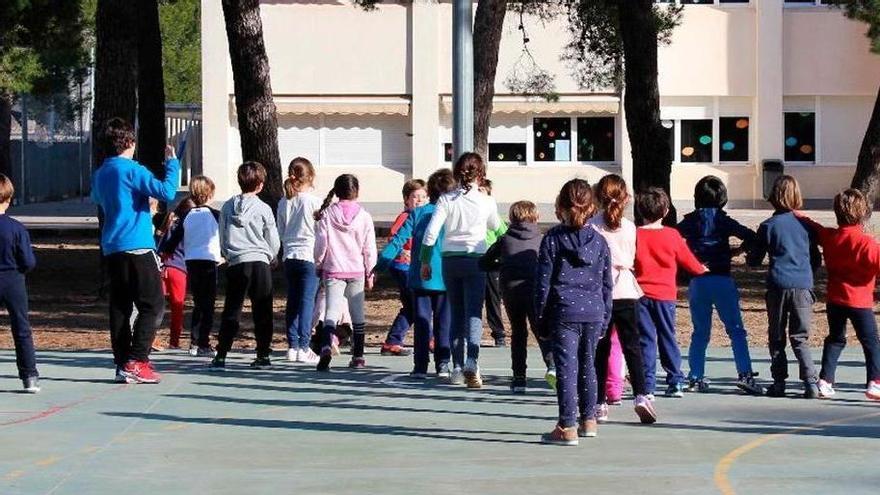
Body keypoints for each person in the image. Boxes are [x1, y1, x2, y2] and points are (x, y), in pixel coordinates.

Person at [91, 117, 179, 383]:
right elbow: (167, 191)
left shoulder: (101, 173)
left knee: (120, 305)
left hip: (113, 246)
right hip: (138, 245)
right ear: (130, 142)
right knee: (152, 303)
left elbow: (101, 199)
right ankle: (137, 359)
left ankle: (122, 363)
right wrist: (173, 164)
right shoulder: (132, 169)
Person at [536, 179, 612, 445]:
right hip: (593, 310)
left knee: (566, 369)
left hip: (564, 310)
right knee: (588, 365)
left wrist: (540, 316)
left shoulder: (553, 239)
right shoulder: (600, 242)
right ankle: (588, 419)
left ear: (560, 205)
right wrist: (605, 317)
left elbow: (543, 282)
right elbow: (606, 284)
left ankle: (567, 425)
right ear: (591, 206)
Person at [421, 152, 502, 388]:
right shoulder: (486, 201)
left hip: (450, 261)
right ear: (481, 174)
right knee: (474, 313)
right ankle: (472, 361)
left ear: (457, 172)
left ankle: (456, 368)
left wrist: (425, 261)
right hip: (476, 259)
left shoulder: (446, 200)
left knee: (455, 314)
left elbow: (430, 233)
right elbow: (498, 228)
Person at [677, 176, 763, 395]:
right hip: (722, 279)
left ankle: (695, 376)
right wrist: (738, 251)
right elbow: (751, 236)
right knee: (735, 330)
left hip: (698, 280)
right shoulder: (724, 221)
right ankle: (745, 373)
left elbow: (674, 238)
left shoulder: (690, 221)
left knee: (700, 332)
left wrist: (688, 258)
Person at [797, 189, 880, 400]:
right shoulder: (867, 244)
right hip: (860, 302)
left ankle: (825, 380)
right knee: (871, 341)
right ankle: (875, 381)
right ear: (862, 212)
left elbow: (814, 227)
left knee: (835, 339)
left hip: (835, 299)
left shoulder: (831, 237)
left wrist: (797, 214)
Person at [746, 175, 821, 398]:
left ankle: (779, 382)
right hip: (802, 285)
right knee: (800, 337)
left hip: (778, 284)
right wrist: (807, 274)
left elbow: (755, 260)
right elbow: (815, 258)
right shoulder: (806, 226)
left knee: (776, 336)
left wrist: (747, 251)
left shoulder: (768, 226)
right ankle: (810, 382)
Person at [589, 174, 655, 424]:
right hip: (627, 289)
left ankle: (600, 402)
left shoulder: (592, 226)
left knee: (601, 349)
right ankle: (640, 395)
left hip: (601, 291)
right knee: (632, 346)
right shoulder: (629, 227)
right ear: (625, 198)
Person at [377, 169, 455, 378]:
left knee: (421, 321)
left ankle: (420, 365)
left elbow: (398, 240)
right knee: (443, 322)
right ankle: (443, 363)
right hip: (445, 277)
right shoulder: (453, 213)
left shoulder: (418, 213)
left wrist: (381, 263)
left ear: (429, 191)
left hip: (421, 276)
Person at [634, 188, 707, 400]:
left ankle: (647, 386)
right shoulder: (672, 235)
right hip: (665, 295)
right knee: (668, 336)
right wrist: (701, 268)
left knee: (646, 340)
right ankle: (675, 381)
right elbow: (689, 261)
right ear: (666, 211)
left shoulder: (635, 234)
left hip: (640, 294)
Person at [210, 162, 280, 370]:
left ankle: (221, 354)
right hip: (259, 261)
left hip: (237, 262)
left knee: (232, 309)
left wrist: (226, 252)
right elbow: (272, 236)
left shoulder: (228, 206)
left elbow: (222, 234)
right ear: (260, 184)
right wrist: (272, 254)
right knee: (262, 309)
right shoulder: (264, 208)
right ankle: (263, 354)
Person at [481, 200, 555, 393]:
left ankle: (519, 377)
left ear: (512, 218)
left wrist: (503, 265)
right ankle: (553, 365)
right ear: (536, 217)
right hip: (535, 288)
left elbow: (485, 262)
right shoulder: (542, 239)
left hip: (511, 289)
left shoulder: (505, 239)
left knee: (518, 332)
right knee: (541, 329)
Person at [314, 174, 377, 371]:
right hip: (356, 269)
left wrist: (319, 263)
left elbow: (321, 243)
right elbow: (369, 247)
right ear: (356, 191)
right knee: (357, 313)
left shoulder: (327, 214)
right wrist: (370, 270)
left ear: (337, 191)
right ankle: (358, 356)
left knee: (331, 311)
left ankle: (325, 345)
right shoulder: (364, 216)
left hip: (333, 269)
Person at [277, 157, 322, 364]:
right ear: (310, 176)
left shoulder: (284, 201)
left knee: (293, 301)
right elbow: (320, 231)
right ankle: (304, 346)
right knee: (306, 303)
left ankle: (293, 346)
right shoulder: (313, 201)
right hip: (308, 255)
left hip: (290, 256)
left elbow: (281, 229)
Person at [379, 179, 427, 357]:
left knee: (411, 307)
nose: (420, 200)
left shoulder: (423, 216)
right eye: (415, 197)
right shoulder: (406, 216)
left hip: (412, 266)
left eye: (423, 196)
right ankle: (429, 339)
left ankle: (392, 342)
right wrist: (403, 251)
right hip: (402, 266)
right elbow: (394, 237)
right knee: (418, 303)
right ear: (407, 199)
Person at [0, 175, 39, 392]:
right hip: (13, 279)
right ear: (8, 199)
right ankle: (29, 376)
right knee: (22, 329)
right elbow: (28, 260)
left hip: (12, 276)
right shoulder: (16, 229)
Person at [156, 197, 195, 351]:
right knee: (177, 308)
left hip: (163, 267)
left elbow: (160, 245)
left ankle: (150, 336)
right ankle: (174, 341)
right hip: (179, 269)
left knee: (155, 306)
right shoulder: (187, 227)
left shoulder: (170, 223)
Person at [480, 179, 508, 347]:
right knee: (472, 298)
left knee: (493, 298)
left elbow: (504, 236)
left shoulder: (494, 216)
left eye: (484, 191)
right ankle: (470, 332)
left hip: (491, 262)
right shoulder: (469, 214)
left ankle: (498, 333)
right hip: (474, 258)